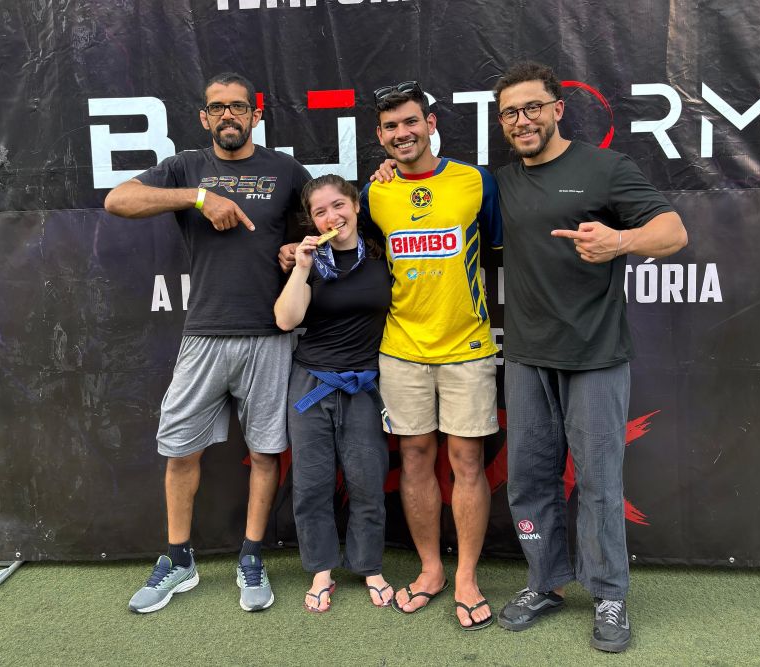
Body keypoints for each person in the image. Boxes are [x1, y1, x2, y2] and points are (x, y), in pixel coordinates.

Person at [492, 61, 688, 653]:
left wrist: (621, 241)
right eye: (509, 113)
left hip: (595, 354)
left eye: (531, 108)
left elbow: (674, 231)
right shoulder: (497, 182)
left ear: (557, 109)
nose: (521, 120)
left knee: (599, 481)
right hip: (527, 357)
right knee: (528, 479)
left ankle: (608, 594)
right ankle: (545, 582)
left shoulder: (605, 168)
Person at [104, 72, 310, 614]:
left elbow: (318, 227)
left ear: (255, 115)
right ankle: (178, 558)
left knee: (266, 452)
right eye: (217, 108)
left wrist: (292, 251)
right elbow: (118, 200)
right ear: (203, 118)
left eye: (238, 108)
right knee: (179, 450)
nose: (228, 117)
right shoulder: (185, 169)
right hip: (203, 335)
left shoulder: (285, 170)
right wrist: (199, 198)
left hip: (270, 335)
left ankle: (251, 554)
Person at [361, 81, 503, 630]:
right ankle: (429, 569)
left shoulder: (474, 181)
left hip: (467, 346)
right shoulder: (374, 193)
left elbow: (493, 243)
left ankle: (466, 575)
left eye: (411, 122)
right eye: (391, 127)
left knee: (468, 462)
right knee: (415, 458)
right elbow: (353, 249)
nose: (403, 133)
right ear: (379, 136)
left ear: (431, 123)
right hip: (401, 349)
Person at [274, 174, 394, 613]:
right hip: (311, 385)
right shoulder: (309, 261)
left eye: (338, 205)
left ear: (356, 206)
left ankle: (369, 566)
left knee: (366, 482)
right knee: (312, 484)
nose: (332, 217)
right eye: (320, 211)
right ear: (311, 219)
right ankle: (321, 568)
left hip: (365, 385)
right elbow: (287, 321)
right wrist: (302, 267)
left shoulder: (383, 255)